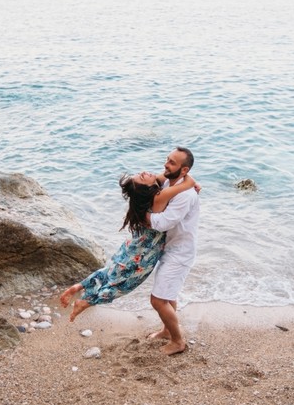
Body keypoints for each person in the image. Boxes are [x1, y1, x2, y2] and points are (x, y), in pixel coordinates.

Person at [59, 170, 198, 322]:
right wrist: (192, 182)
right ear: (144, 189)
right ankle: (86, 302)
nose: (144, 172)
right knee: (122, 284)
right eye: (141, 177)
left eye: (140, 173)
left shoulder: (147, 201)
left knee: (110, 271)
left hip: (133, 246)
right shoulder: (159, 198)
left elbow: (167, 176)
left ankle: (79, 287)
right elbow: (187, 182)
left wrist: (175, 177)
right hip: (142, 254)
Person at [145, 147, 200, 356]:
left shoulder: (185, 195)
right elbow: (154, 180)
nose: (166, 165)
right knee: (167, 296)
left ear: (183, 169)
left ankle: (178, 341)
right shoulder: (170, 181)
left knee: (158, 300)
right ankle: (168, 331)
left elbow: (163, 222)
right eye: (167, 159)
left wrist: (142, 217)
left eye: (172, 163)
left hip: (181, 252)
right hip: (169, 248)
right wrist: (191, 180)